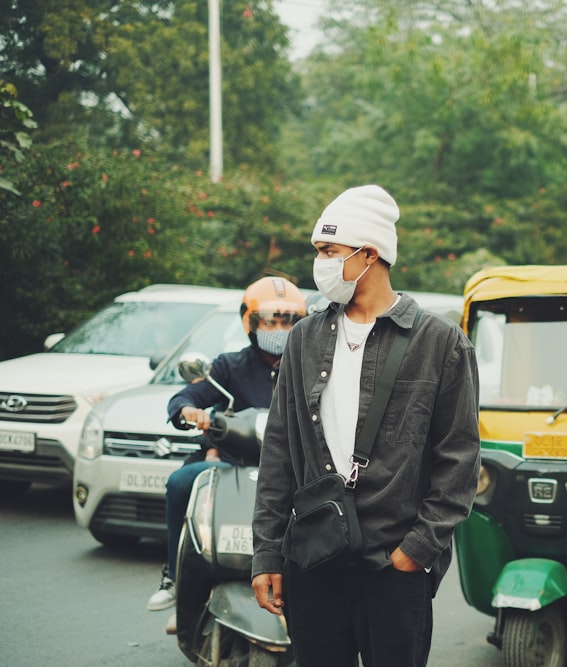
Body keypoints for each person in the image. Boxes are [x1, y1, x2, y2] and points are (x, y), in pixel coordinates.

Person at [250, 184, 481, 667]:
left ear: (368, 254)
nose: (321, 263)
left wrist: (415, 552)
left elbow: (458, 461)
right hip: (314, 557)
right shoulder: (303, 339)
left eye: (329, 251)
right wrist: (268, 555)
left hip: (395, 566)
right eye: (319, 251)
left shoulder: (440, 343)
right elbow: (278, 452)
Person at [145, 277, 307, 629]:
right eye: (270, 320)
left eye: (287, 321)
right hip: (231, 463)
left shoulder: (307, 366)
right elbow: (185, 398)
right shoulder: (228, 366)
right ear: (250, 322)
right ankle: (176, 579)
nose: (279, 328)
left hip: (290, 469)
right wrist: (190, 412)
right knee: (180, 482)